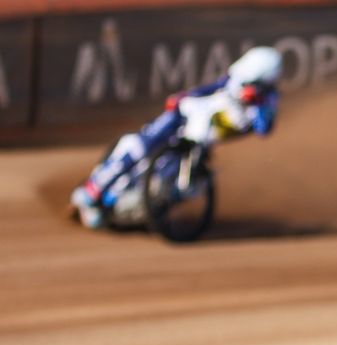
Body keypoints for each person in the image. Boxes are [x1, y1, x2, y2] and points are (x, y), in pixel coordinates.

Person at [70, 46, 282, 229]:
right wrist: (184, 96)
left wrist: (256, 103)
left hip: (200, 142)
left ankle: (125, 208)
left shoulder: (268, 99)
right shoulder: (236, 78)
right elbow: (214, 87)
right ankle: (93, 189)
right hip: (182, 117)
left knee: (174, 182)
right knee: (138, 146)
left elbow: (264, 129)